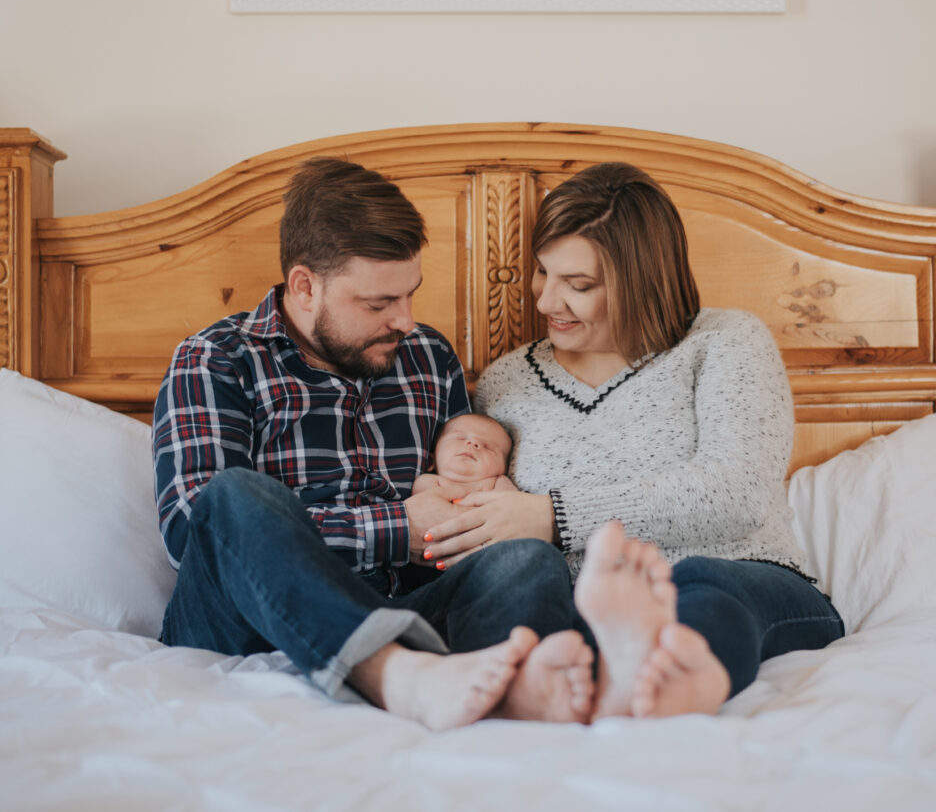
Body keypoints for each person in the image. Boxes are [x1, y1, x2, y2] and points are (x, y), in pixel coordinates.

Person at [151, 157, 597, 730]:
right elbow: (191, 533)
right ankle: (393, 675)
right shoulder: (217, 359)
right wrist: (397, 529)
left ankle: (506, 690)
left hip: (406, 614)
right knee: (232, 496)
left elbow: (464, 497)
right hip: (247, 627)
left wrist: (478, 512)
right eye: (379, 304)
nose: (406, 321)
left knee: (525, 561)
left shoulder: (428, 357)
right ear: (305, 287)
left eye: (410, 294)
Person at [421, 161, 846, 719]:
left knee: (697, 582)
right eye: (542, 273)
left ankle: (674, 685)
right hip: (575, 611)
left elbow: (736, 492)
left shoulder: (724, 343)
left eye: (578, 285)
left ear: (641, 280)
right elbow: (479, 503)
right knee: (527, 584)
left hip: (742, 580)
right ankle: (573, 682)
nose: (547, 301)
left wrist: (555, 516)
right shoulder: (506, 381)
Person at [412, 413, 517, 497]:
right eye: (460, 438)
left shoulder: (499, 483)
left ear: (503, 470)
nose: (473, 443)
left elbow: (511, 504)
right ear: (431, 461)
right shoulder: (428, 481)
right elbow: (424, 505)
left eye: (488, 447)